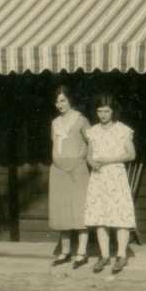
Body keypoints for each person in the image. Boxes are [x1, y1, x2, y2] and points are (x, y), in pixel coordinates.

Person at [82, 93, 136, 273]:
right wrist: (92, 161)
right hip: (98, 178)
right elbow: (89, 153)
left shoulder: (122, 130)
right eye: (100, 111)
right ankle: (104, 255)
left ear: (113, 111)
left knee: (120, 215)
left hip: (116, 176)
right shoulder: (93, 131)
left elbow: (131, 154)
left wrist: (109, 160)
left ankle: (121, 255)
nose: (103, 115)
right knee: (100, 216)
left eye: (106, 111)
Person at [47, 85, 91, 267]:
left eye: (63, 100)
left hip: (77, 170)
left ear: (70, 100)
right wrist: (58, 162)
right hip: (58, 170)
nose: (59, 104)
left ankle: (81, 252)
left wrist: (81, 160)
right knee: (61, 210)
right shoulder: (55, 123)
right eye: (57, 101)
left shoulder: (80, 120)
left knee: (78, 210)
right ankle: (65, 251)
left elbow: (91, 143)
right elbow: (55, 146)